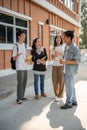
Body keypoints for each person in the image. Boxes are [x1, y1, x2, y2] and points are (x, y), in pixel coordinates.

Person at [60, 30, 81, 109]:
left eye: (64, 37)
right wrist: (63, 60)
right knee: (71, 86)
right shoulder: (66, 46)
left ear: (69, 38)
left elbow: (77, 60)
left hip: (70, 71)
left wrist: (65, 61)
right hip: (65, 70)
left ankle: (69, 103)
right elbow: (66, 57)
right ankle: (74, 100)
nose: (63, 38)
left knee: (69, 87)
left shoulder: (75, 48)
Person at [12, 30, 28, 104]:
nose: (24, 37)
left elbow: (26, 55)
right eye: (23, 36)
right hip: (19, 66)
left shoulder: (25, 45)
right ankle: (19, 98)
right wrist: (18, 55)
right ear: (19, 36)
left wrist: (28, 59)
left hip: (25, 66)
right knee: (20, 82)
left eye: (24, 36)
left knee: (24, 82)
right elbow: (14, 58)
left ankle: (22, 96)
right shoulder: (16, 45)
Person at [51, 35, 65, 101]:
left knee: (61, 81)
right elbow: (52, 58)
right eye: (57, 38)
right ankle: (56, 95)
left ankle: (60, 95)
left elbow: (65, 56)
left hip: (61, 65)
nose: (58, 39)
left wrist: (59, 53)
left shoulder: (63, 46)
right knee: (54, 81)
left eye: (59, 38)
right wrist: (55, 55)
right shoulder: (53, 47)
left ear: (61, 39)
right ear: (55, 39)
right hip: (55, 65)